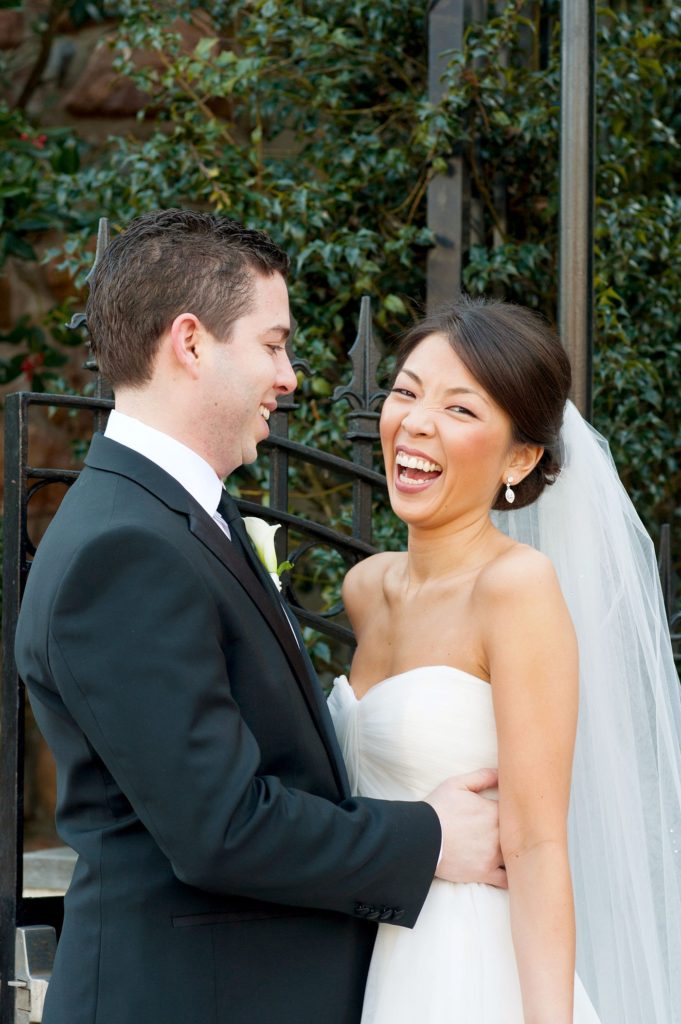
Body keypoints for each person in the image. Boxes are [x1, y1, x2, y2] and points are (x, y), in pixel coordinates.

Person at [14, 210, 507, 1024]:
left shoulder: (174, 516)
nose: (290, 377)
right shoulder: (123, 551)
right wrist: (429, 840)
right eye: (273, 344)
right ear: (191, 342)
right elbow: (221, 827)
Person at [328, 297, 681, 1023]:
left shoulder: (515, 588)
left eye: (460, 410)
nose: (416, 421)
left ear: (519, 458)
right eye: (405, 390)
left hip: (467, 967)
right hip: (359, 957)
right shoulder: (365, 589)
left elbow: (537, 844)